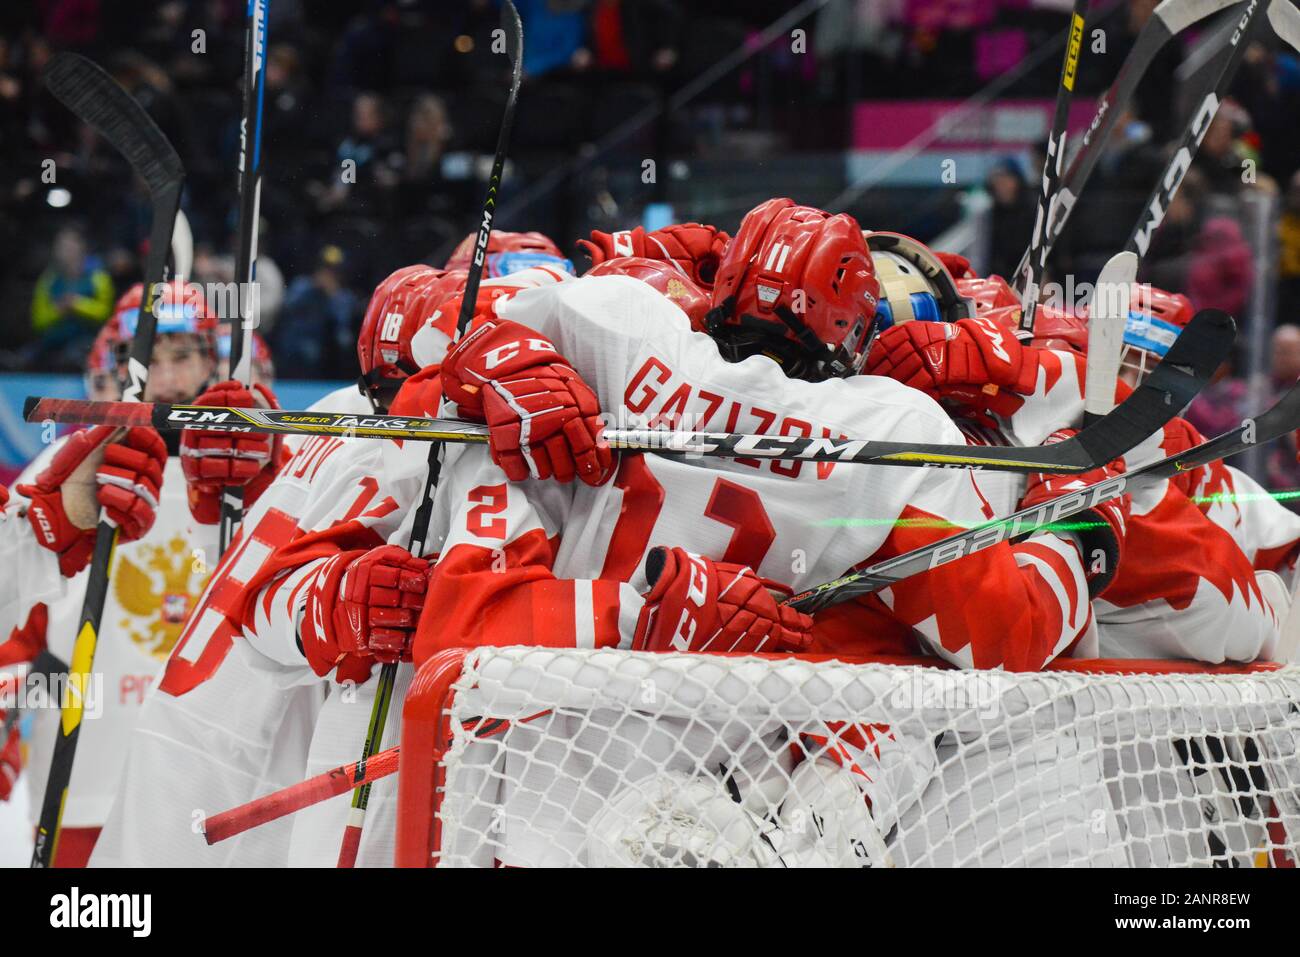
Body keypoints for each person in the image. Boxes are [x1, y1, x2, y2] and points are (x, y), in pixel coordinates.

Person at [384, 200, 1119, 866]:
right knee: (896, 725)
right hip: (738, 789)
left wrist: (490, 359)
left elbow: (422, 345)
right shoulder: (896, 430)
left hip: (543, 784)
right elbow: (999, 636)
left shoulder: (614, 323)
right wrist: (1075, 520)